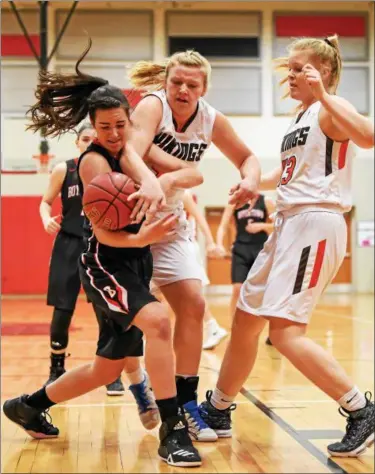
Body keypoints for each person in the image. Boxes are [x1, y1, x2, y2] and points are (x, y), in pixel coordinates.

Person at [3, 43, 204, 467]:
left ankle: (27, 405)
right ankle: (173, 429)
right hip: (105, 264)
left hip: (135, 261)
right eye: (104, 128)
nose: (113, 134)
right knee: (160, 322)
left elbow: (183, 171)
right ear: (91, 128)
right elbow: (107, 238)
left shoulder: (127, 148)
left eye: (119, 126)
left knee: (106, 369)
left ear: (130, 123)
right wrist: (145, 233)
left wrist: (154, 183)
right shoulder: (94, 163)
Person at [198, 35, 375, 458]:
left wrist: (325, 95)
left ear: (324, 71)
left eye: (300, 68)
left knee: (287, 332)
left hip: (316, 222)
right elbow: (287, 171)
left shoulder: (334, 107)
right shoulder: (301, 116)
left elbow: (368, 136)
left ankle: (361, 409)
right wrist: (250, 183)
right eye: (290, 68)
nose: (291, 76)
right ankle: (219, 408)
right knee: (245, 318)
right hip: (288, 223)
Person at [124, 50, 260, 441]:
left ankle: (184, 404)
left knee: (195, 305)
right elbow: (133, 151)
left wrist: (250, 178)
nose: (183, 89)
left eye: (192, 84)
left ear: (204, 89)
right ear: (166, 82)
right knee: (124, 337)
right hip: (129, 221)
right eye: (176, 82)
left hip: (168, 226)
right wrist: (182, 172)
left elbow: (247, 157)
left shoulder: (211, 119)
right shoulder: (153, 105)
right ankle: (138, 387)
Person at [40, 123, 95, 386]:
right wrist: (45, 219)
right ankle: (56, 368)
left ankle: (109, 372)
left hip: (98, 244)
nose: (90, 143)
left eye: (94, 140)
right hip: (68, 243)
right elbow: (45, 201)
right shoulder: (65, 169)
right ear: (77, 142)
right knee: (63, 309)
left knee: (104, 309)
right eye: (85, 139)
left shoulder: (111, 170)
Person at [216, 194, 275, 344]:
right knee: (237, 289)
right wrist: (219, 244)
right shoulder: (235, 202)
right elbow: (223, 225)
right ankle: (234, 328)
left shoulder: (265, 201)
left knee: (264, 291)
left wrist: (262, 226)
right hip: (241, 248)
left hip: (260, 249)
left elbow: (279, 224)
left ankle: (272, 332)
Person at [182, 191, 228, 350]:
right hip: (173, 248)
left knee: (193, 293)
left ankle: (212, 326)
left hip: (184, 248)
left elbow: (200, 219)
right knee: (182, 296)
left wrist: (209, 242)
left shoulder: (182, 193)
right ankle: (212, 326)